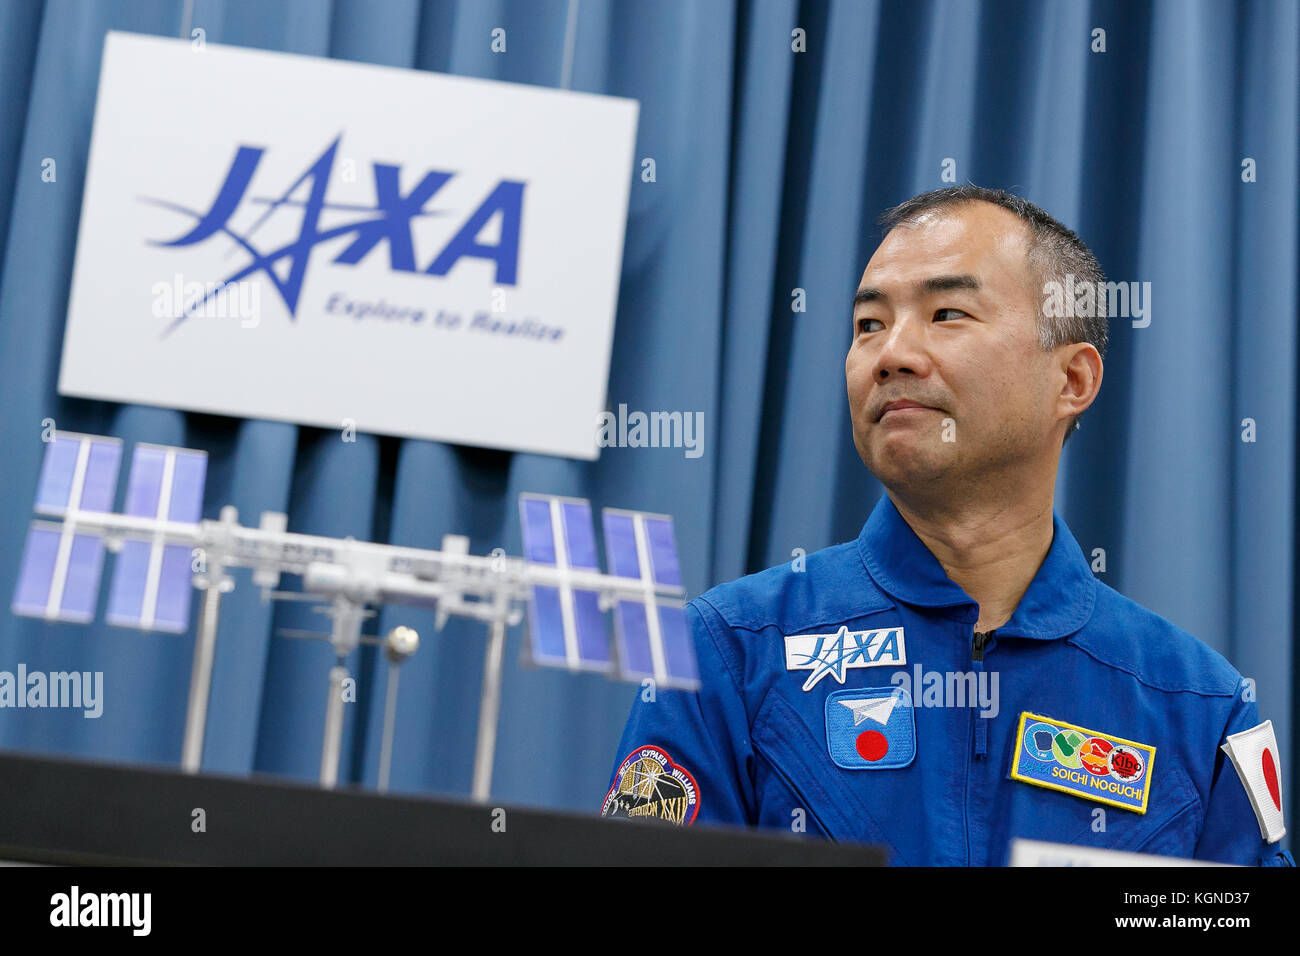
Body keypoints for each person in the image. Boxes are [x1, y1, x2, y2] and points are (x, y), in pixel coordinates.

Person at [601, 186, 1293, 866]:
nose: (891, 354)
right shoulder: (728, 651)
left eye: (948, 313)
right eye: (869, 324)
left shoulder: (1199, 708)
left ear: (1073, 381)